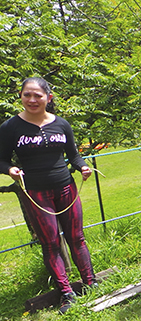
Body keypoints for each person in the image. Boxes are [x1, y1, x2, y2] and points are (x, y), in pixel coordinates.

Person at [0, 77, 96, 314]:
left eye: (37, 95)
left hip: (66, 189)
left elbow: (74, 155)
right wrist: (9, 169)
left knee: (77, 237)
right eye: (27, 95)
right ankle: (66, 293)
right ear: (21, 97)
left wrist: (82, 167)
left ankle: (91, 283)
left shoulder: (62, 124)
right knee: (51, 243)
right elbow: (1, 159)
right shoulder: (10, 127)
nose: (32, 100)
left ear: (48, 98)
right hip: (36, 194)